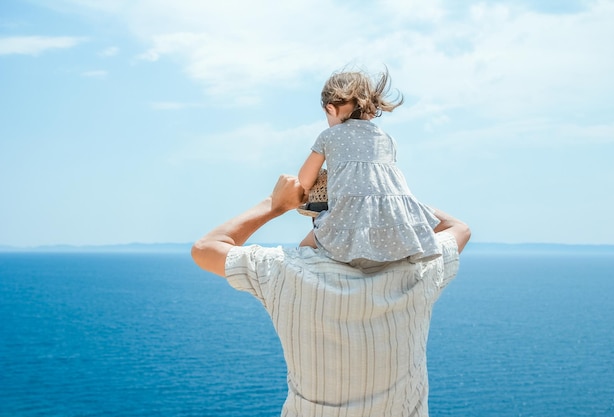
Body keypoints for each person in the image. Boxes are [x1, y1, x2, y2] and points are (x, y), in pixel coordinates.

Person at [191, 174, 471, 417]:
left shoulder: (284, 272)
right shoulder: (418, 271)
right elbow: (458, 229)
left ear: (317, 219)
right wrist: (391, 199)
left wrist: (273, 206)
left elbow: (205, 249)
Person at [298, 67, 441, 264]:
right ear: (372, 111)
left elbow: (304, 179)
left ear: (330, 109)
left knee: (303, 250)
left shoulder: (329, 136)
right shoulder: (388, 139)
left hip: (346, 224)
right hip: (394, 227)